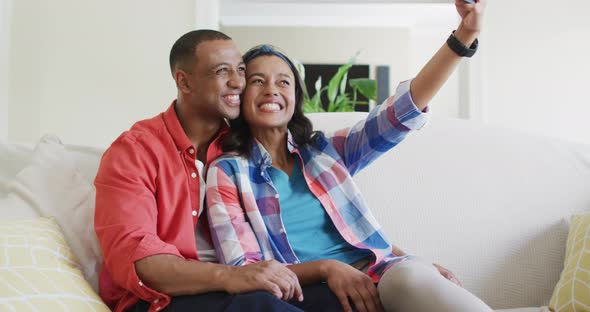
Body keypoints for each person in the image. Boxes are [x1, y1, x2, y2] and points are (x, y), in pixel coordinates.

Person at [205, 1, 493, 312]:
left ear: (295, 98)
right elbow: (246, 268)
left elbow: (400, 113)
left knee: (411, 279)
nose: (271, 89)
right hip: (310, 294)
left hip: (379, 277)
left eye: (283, 81)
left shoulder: (324, 153)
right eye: (258, 81)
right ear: (240, 96)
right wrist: (327, 268)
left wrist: (464, 35)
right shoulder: (228, 171)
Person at [94, 29, 343, 312]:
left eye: (240, 70)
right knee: (262, 306)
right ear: (184, 82)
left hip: (242, 287)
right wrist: (232, 277)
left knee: (338, 301)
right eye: (222, 71)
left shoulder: (244, 148)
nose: (238, 82)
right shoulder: (134, 152)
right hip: (160, 301)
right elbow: (141, 261)